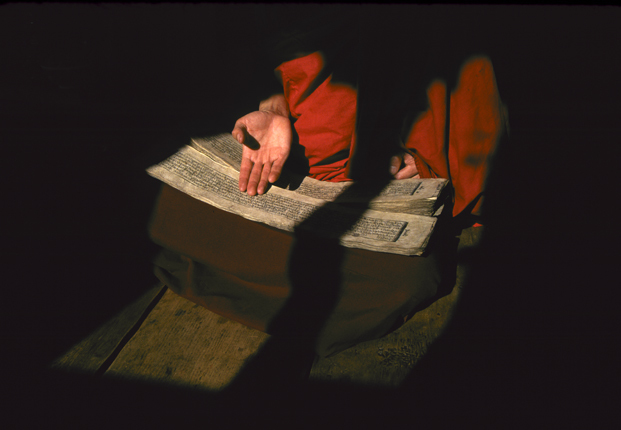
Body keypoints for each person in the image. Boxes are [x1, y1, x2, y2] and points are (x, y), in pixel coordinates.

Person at [150, 5, 508, 357]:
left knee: (410, 278)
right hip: (291, 153)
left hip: (373, 177)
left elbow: (464, 97)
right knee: (162, 207)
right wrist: (273, 107)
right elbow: (263, 44)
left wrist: (427, 154)